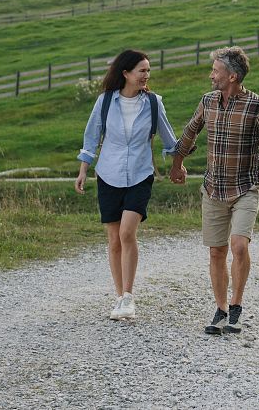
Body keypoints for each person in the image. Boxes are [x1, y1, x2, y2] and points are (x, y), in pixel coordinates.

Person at [169, 45, 259, 335]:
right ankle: (221, 310)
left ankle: (236, 306)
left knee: (238, 245)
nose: (211, 75)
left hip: (246, 187)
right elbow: (189, 132)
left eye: (216, 71)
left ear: (232, 76)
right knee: (216, 251)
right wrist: (177, 164)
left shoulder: (257, 107)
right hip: (213, 188)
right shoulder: (208, 102)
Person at [75, 49, 179, 321]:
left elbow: (170, 140)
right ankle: (120, 297)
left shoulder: (154, 103)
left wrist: (178, 163)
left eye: (148, 70)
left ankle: (129, 297)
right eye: (141, 70)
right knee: (113, 239)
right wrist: (83, 170)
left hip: (140, 174)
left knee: (127, 233)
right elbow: (91, 137)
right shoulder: (105, 101)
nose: (146, 75)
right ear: (126, 73)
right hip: (108, 174)